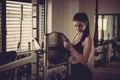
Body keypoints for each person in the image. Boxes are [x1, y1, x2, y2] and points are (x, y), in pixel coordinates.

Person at [63, 12, 93, 80]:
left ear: (86, 23)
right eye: (75, 26)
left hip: (81, 71)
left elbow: (84, 61)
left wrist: (71, 48)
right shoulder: (76, 35)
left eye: (80, 25)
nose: (77, 28)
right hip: (73, 68)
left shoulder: (87, 39)